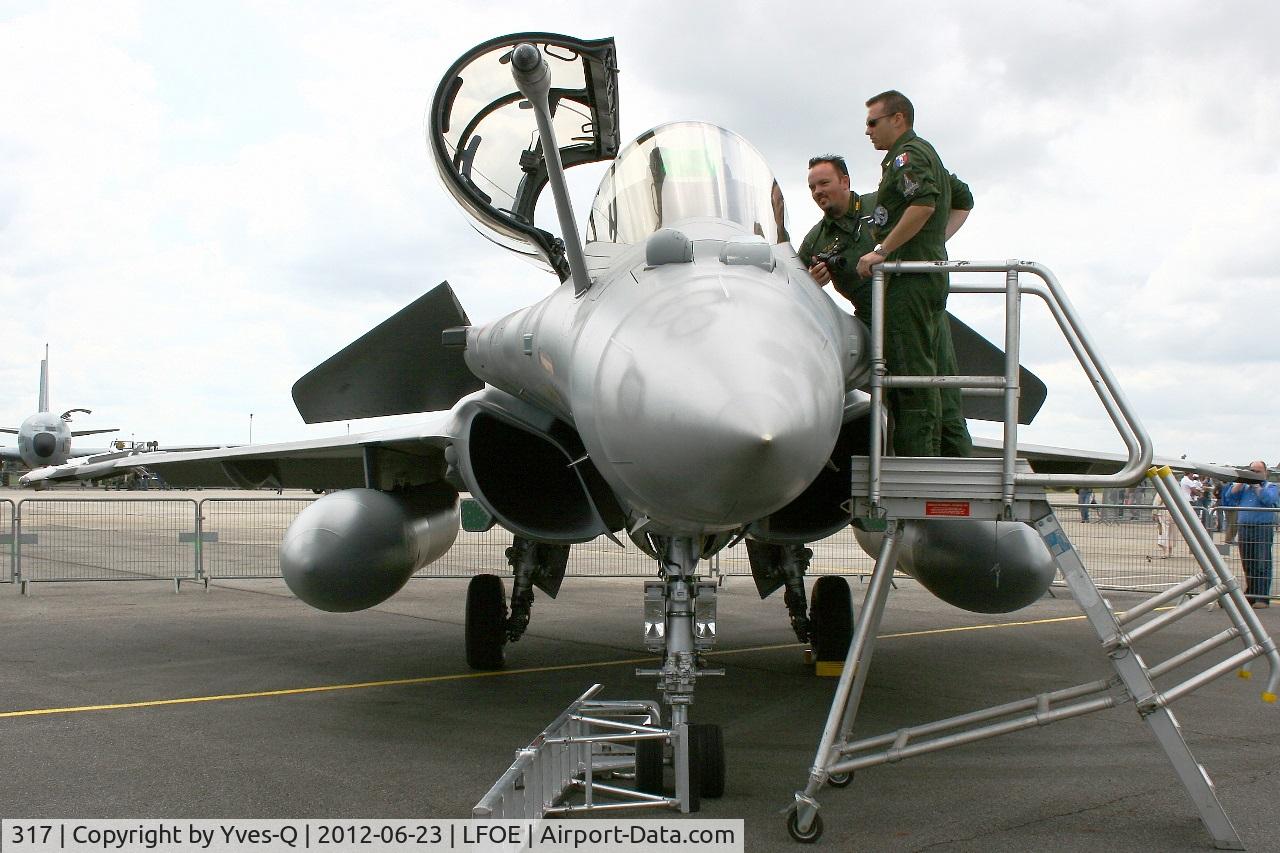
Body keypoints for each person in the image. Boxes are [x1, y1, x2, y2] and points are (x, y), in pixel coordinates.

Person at [799, 155, 973, 456]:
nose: (818, 192)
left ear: (845, 181)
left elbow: (961, 199)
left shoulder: (884, 203)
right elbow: (796, 291)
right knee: (909, 408)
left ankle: (960, 487)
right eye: (812, 187)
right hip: (879, 330)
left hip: (922, 317)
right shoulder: (816, 240)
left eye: (824, 183)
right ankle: (918, 484)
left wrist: (929, 245)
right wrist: (814, 282)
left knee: (947, 406)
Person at [855, 90, 965, 456]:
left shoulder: (908, 157)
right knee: (931, 375)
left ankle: (918, 462)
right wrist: (934, 244)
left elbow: (923, 204)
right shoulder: (924, 154)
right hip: (924, 276)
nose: (868, 130)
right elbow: (962, 199)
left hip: (910, 283)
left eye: (873, 122)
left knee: (911, 377)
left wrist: (884, 251)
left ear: (897, 118)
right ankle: (944, 460)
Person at [1220, 460, 1279, 608]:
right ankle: (1251, 594)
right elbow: (1229, 498)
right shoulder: (1244, 488)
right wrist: (1241, 481)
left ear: (1265, 473)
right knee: (1248, 563)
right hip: (1245, 528)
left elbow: (1269, 500)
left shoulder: (1271, 487)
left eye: (1257, 472)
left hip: (1262, 528)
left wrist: (1257, 485)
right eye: (1252, 471)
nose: (1254, 474)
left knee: (1262, 563)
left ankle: (1262, 597)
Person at [1152, 493, 1173, 558]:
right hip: (1172, 512)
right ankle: (1169, 551)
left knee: (1163, 532)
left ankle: (1165, 551)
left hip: (1163, 512)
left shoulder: (1161, 491)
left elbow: (1157, 502)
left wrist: (1154, 512)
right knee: (1170, 532)